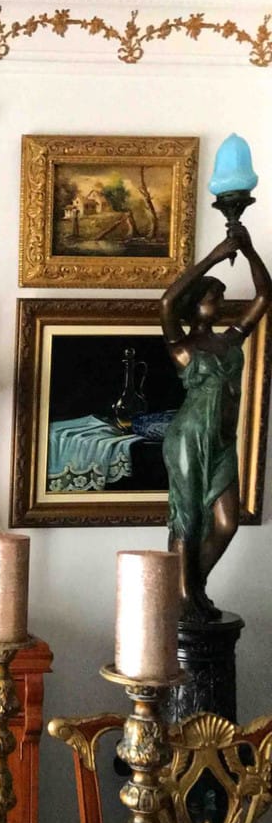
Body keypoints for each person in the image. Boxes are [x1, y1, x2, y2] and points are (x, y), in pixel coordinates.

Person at [160, 221, 270, 623]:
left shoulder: (229, 340)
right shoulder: (182, 345)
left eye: (220, 298)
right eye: (212, 298)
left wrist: (249, 249)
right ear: (196, 305)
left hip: (222, 441)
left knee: (226, 523)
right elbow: (166, 302)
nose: (220, 304)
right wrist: (215, 256)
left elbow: (264, 295)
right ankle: (184, 596)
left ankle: (192, 586)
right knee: (187, 520)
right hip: (190, 438)